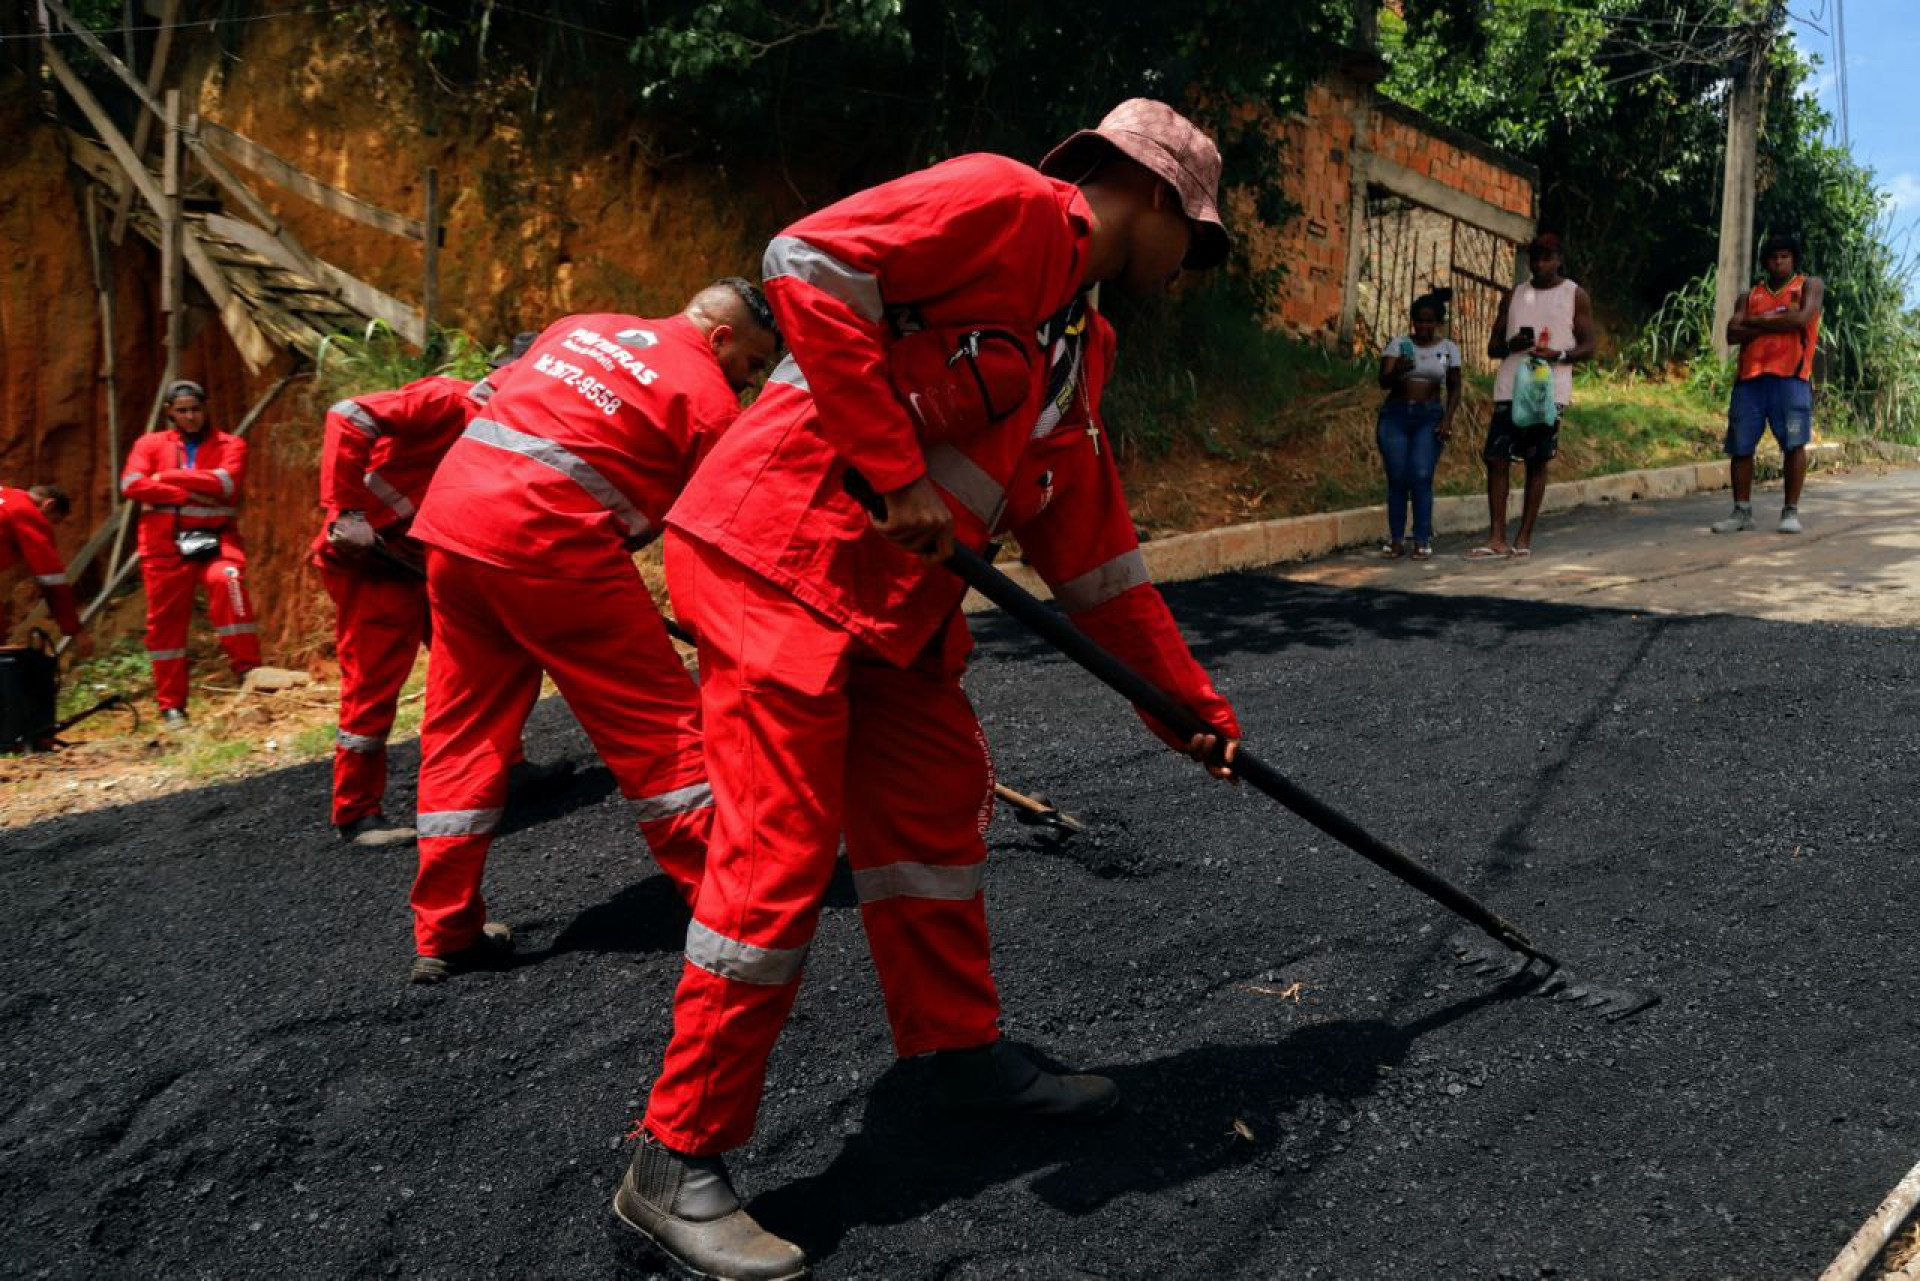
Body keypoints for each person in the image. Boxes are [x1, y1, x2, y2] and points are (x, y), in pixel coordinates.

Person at [617, 100, 1244, 1281]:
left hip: (888, 608)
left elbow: (1092, 553)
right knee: (782, 856)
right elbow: (804, 259)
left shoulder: (1082, 348)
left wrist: (1185, 707)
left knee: (932, 815)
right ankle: (674, 1159)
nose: (1191, 270)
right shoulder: (1007, 204)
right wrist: (892, 467)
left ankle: (954, 1055)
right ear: (1155, 195)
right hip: (778, 557)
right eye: (1196, 243)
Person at [402, 280, 779, 985]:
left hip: (453, 528)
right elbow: (730, 526)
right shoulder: (709, 402)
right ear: (723, 337)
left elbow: (486, 398)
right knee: (658, 725)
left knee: (462, 731)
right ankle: (727, 900)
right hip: (550, 544)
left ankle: (445, 929)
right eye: (751, 364)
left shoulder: (580, 323)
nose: (750, 382)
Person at [120, 380, 261, 727]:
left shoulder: (231, 443)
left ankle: (248, 672)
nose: (191, 416)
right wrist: (187, 492)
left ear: (205, 407)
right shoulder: (149, 443)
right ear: (170, 412)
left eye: (196, 409)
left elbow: (225, 484)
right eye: (182, 411)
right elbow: (131, 485)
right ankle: (172, 707)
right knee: (165, 625)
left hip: (216, 539)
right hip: (163, 546)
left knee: (229, 581)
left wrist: (166, 477)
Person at [1466, 234, 1595, 560]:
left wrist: (1559, 355)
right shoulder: (1514, 295)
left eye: (1547, 257)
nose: (1540, 264)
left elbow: (1589, 346)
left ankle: (1523, 538)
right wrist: (1510, 347)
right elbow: (1493, 346)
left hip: (1548, 391)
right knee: (1496, 458)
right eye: (1535, 258)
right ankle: (1497, 537)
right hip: (1511, 385)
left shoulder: (1574, 295)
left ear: (1559, 259)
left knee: (1537, 461)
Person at [1712, 235, 1823, 535]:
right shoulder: (1749, 297)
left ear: (1793, 259)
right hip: (1750, 379)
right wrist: (1777, 318)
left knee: (1794, 444)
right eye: (1774, 257)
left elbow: (1800, 320)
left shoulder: (1808, 286)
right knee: (1741, 446)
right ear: (1765, 261)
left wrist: (1756, 323)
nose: (1779, 261)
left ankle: (1790, 511)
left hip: (1791, 378)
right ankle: (1741, 511)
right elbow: (1732, 333)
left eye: (1785, 256)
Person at [1375, 289, 1461, 560]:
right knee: (1398, 477)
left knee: (1421, 475)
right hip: (1396, 416)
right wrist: (1398, 369)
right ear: (1412, 321)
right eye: (1419, 321)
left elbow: (1456, 386)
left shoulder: (1447, 349)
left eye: (1429, 321)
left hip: (1429, 416)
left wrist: (1448, 419)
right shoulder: (1399, 345)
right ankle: (1396, 538)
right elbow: (1383, 381)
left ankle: (1422, 538)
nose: (1424, 327)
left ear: (1438, 323)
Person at [0, 484, 83, 641]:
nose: (47, 526)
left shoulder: (6, 493)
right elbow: (51, 578)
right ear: (48, 505)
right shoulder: (26, 512)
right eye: (52, 521)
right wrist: (74, 630)